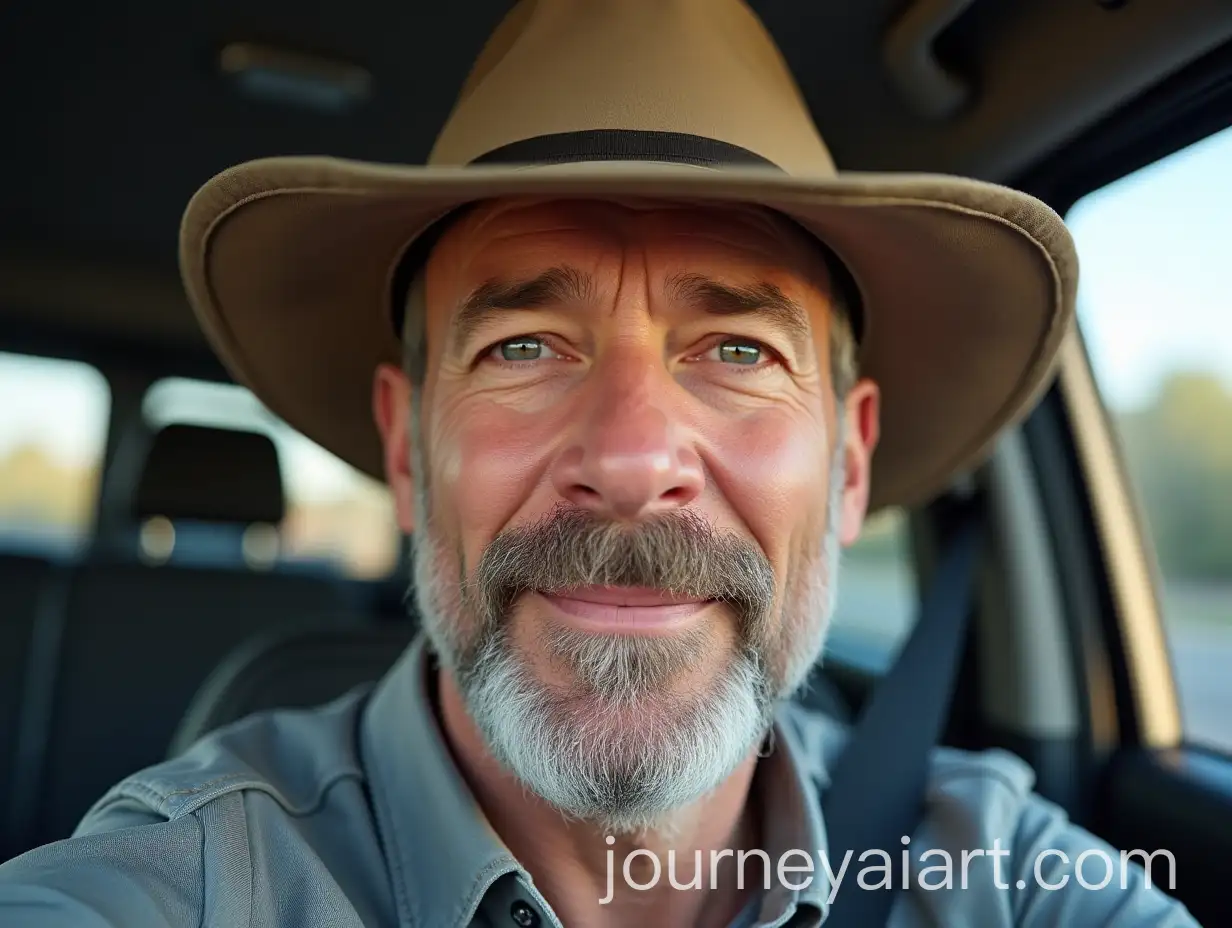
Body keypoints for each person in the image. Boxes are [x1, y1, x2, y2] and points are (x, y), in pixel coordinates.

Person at [0, 0, 1199, 925]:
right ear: (408, 448)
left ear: (848, 466)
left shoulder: (1004, 873)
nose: (629, 460)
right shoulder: (191, 881)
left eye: (736, 348)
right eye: (524, 344)